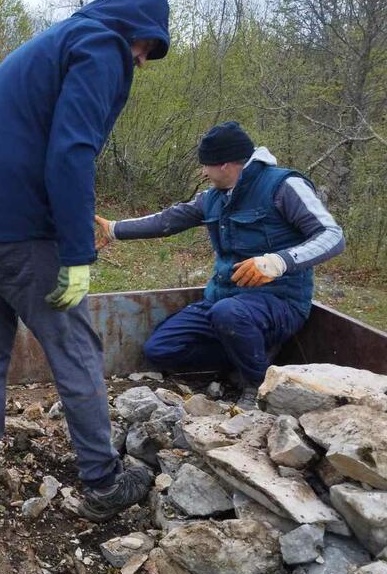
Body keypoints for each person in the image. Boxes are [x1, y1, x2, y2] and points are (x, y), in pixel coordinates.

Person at [0, 0, 171, 520]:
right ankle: (103, 481)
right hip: (17, 231)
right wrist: (77, 254)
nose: (141, 59)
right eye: (144, 46)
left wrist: (67, 217)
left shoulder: (57, 40)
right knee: (77, 350)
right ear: (129, 25)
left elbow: (35, 139)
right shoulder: (101, 47)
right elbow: (72, 152)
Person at [96, 121, 344, 409]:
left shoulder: (284, 186)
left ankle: (258, 385)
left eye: (206, 166)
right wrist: (115, 229)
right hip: (224, 300)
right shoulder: (214, 198)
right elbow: (168, 221)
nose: (203, 172)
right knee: (161, 349)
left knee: (230, 314)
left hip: (279, 301)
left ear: (225, 164)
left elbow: (332, 235)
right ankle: (251, 355)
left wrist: (280, 261)